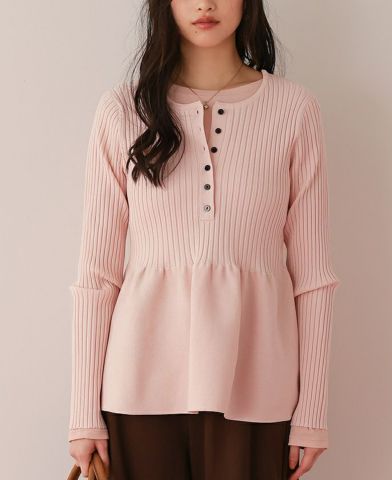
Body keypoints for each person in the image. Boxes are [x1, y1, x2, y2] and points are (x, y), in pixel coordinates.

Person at [67, 0, 340, 479]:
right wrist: (83, 411)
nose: (205, 4)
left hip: (257, 388)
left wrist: (312, 412)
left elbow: (314, 278)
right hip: (138, 389)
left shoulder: (294, 110)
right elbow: (97, 276)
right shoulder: (122, 110)